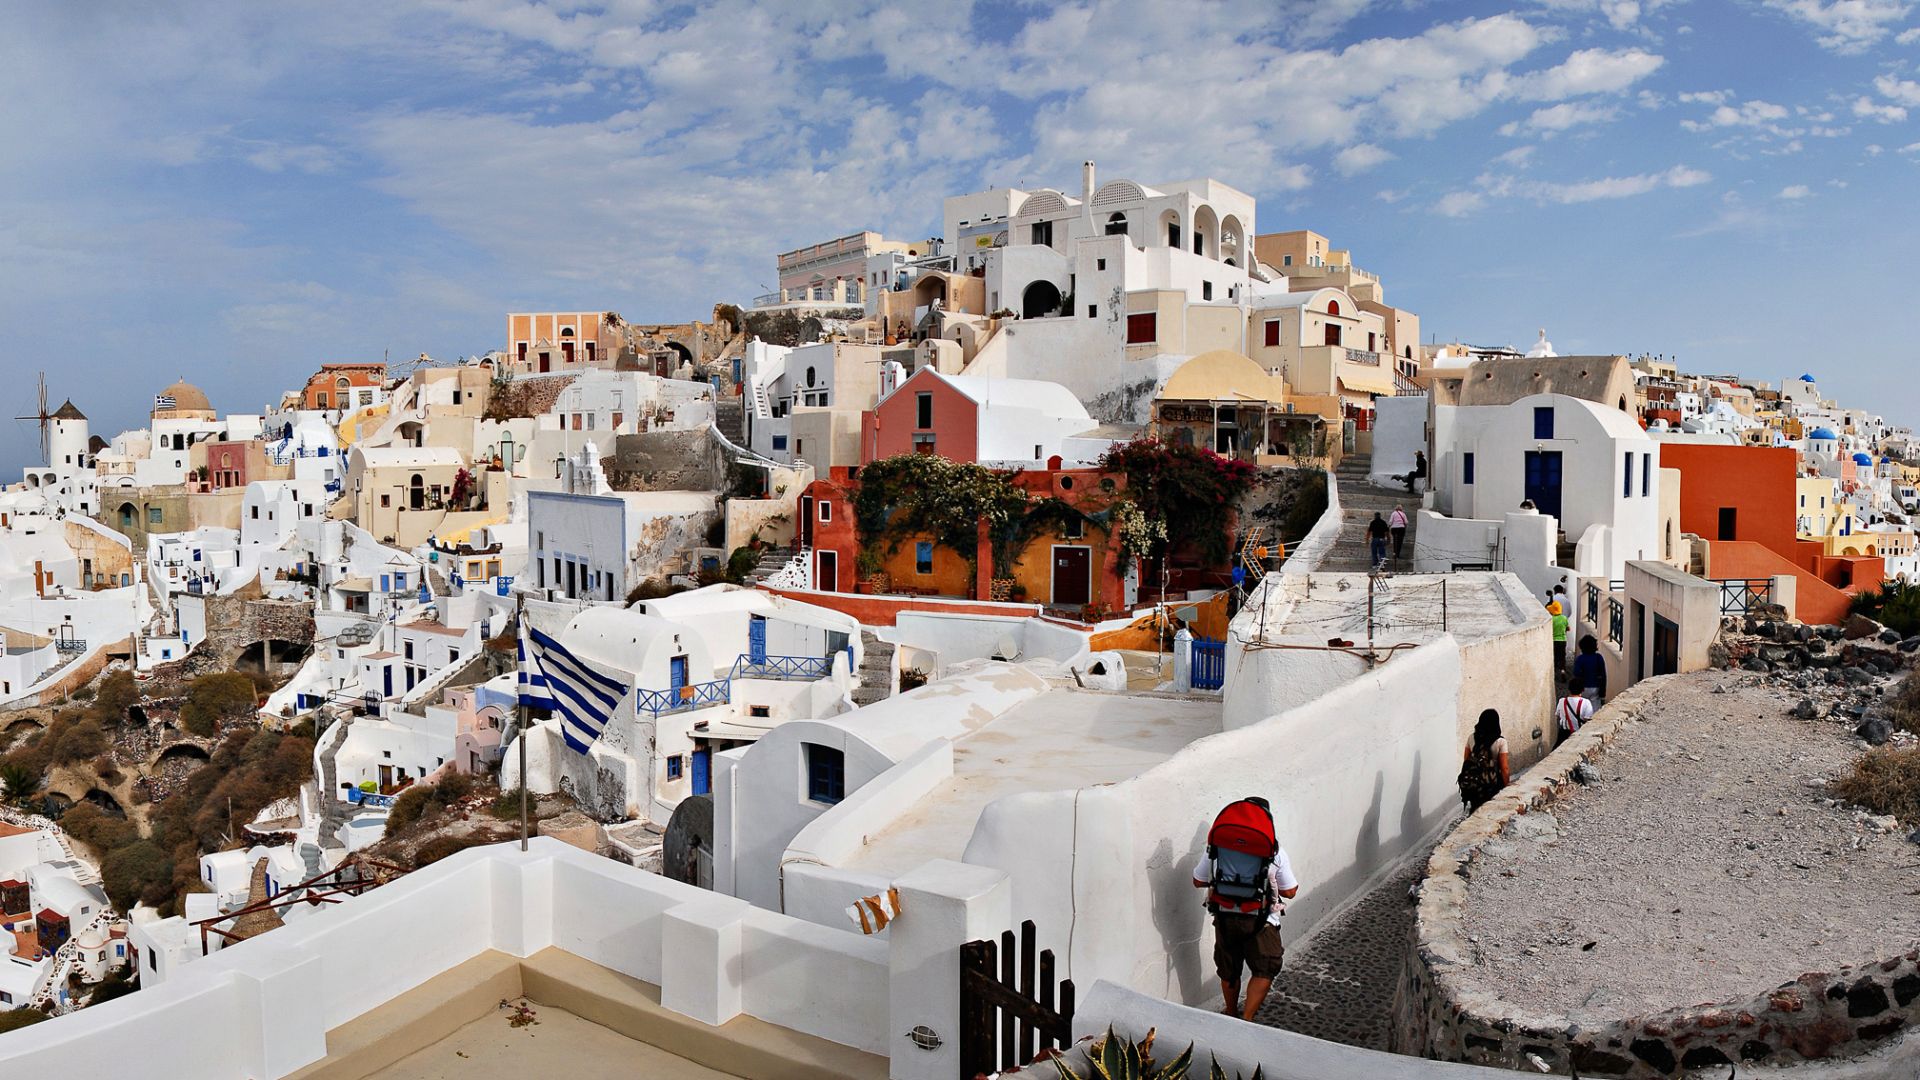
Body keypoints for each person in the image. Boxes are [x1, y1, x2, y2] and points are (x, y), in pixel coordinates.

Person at [1191, 798, 1300, 1022]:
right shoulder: (1274, 850)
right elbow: (1289, 891)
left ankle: (1230, 1013)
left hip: (1224, 916)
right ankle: (1247, 1018)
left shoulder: (1216, 848)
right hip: (1262, 921)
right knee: (1265, 968)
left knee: (1229, 969)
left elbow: (1198, 881)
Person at [1457, 709, 1510, 812]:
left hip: (1474, 783)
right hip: (1492, 784)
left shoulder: (1471, 738)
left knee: (1475, 810)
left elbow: (1466, 760)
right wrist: (1507, 787)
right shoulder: (1501, 742)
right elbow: (1504, 768)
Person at [1554, 676, 1594, 747]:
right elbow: (1588, 720)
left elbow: (1558, 715)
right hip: (1579, 733)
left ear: (1569, 689)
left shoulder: (1562, 701)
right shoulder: (1586, 703)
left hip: (1564, 734)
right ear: (1582, 690)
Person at [1571, 635, 1607, 707]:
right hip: (1595, 687)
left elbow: (1576, 673)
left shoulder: (1580, 659)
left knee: (1582, 708)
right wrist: (1603, 693)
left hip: (1583, 688)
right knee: (1594, 710)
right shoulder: (1598, 657)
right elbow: (1603, 675)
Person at [1549, 601, 1568, 672]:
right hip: (1563, 640)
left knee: (1555, 656)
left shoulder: (1552, 619)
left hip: (1554, 640)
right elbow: (1568, 628)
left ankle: (1555, 670)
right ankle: (1562, 670)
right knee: (1562, 656)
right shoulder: (1564, 618)